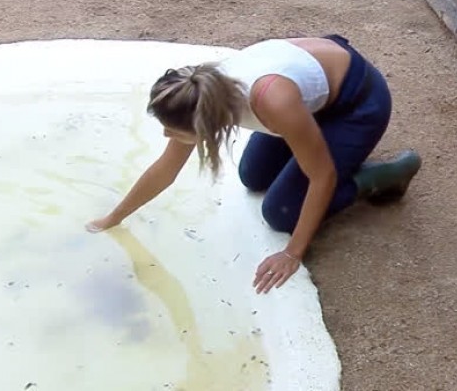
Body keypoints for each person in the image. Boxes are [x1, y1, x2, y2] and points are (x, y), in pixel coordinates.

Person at [86, 35, 422, 294]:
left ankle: (383, 175)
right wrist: (113, 217)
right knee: (253, 177)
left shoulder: (271, 101)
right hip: (308, 98)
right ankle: (310, 140)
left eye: (171, 131)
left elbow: (322, 176)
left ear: (205, 126)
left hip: (357, 102)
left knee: (281, 212)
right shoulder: (199, 95)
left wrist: (292, 253)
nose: (165, 135)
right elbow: (165, 169)